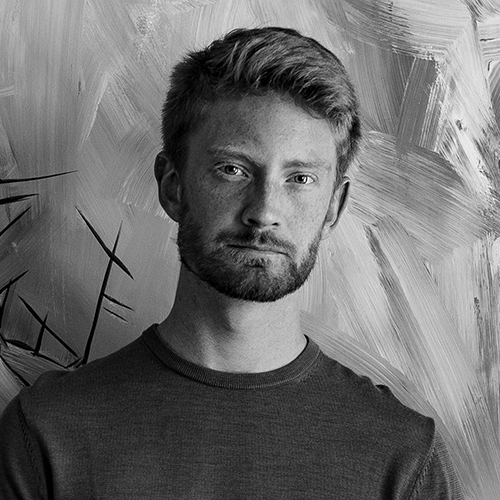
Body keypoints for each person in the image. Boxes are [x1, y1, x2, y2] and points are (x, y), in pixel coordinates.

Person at [0, 27, 464, 499]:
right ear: (172, 187)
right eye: (233, 170)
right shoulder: (47, 432)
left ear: (333, 207)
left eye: (300, 178)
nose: (264, 212)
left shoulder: (401, 454)